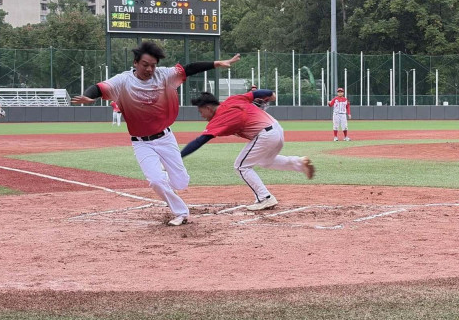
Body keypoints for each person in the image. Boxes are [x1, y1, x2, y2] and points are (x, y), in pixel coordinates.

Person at [71, 41, 241, 226]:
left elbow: (189, 68)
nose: (150, 69)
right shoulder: (123, 81)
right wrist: (89, 96)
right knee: (155, 181)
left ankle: (164, 178)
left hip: (165, 137)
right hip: (141, 142)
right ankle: (181, 212)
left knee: (181, 183)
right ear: (136, 63)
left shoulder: (164, 76)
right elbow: (99, 87)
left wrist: (216, 63)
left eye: (153, 65)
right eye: (145, 65)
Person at [180, 90, 314, 211]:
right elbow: (259, 93)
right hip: (277, 128)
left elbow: (199, 141)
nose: (201, 115)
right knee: (265, 162)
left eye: (201, 111)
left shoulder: (218, 119)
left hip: (265, 134)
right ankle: (299, 163)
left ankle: (265, 197)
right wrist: (271, 95)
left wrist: (178, 157)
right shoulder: (233, 99)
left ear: (208, 108)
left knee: (241, 167)